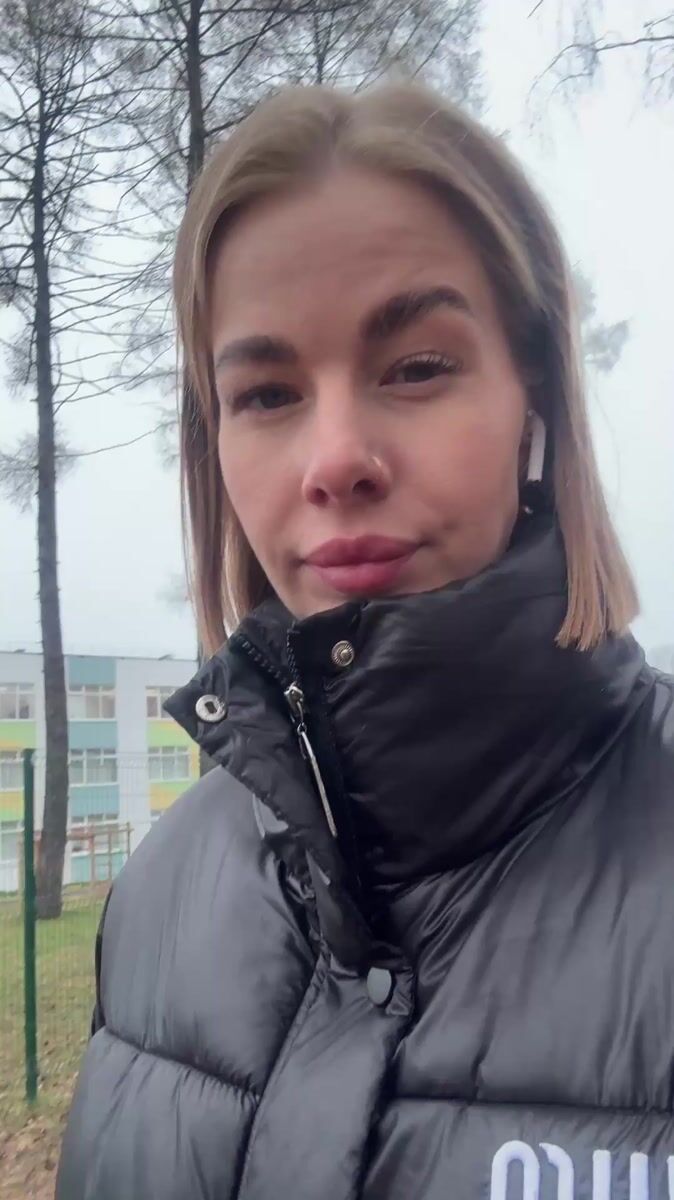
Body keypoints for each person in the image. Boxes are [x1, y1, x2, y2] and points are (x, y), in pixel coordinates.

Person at [57, 82, 674, 1200]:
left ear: (533, 390)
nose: (336, 458)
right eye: (267, 393)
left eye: (417, 367)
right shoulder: (155, 896)